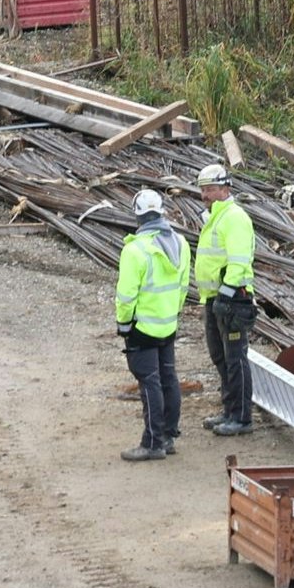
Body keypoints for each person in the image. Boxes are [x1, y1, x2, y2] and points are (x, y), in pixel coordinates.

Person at [112, 189, 189, 461]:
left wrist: (124, 324)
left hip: (142, 329)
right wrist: (172, 313)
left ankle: (153, 443)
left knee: (149, 383)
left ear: (138, 215)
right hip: (168, 325)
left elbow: (126, 296)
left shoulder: (135, 250)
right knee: (168, 379)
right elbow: (182, 287)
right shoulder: (180, 242)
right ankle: (168, 436)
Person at [190, 164, 259, 435]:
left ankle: (241, 418)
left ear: (225, 189)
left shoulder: (234, 217)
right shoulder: (215, 217)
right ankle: (229, 410)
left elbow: (239, 259)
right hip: (214, 298)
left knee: (235, 358)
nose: (205, 195)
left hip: (232, 298)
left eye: (211, 189)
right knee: (220, 356)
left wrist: (227, 292)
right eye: (203, 190)